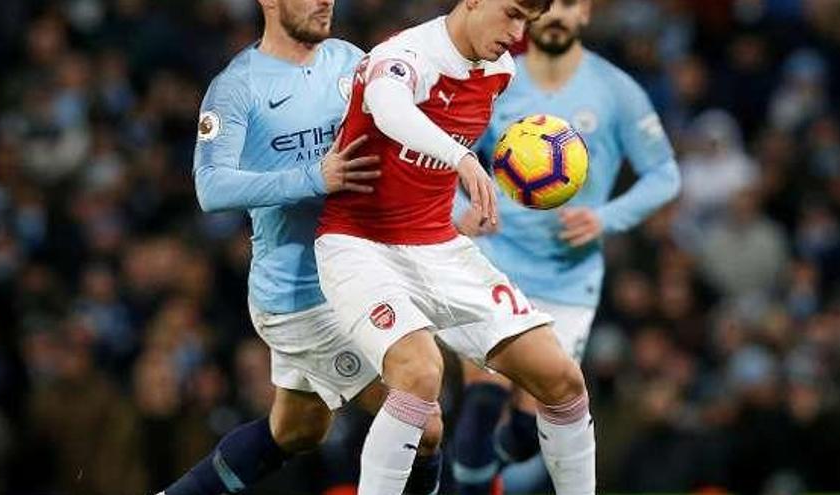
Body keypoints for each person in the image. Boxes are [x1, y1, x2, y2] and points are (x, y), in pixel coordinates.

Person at [156, 1, 443, 494]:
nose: (324, 0)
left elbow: (390, 148)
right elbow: (211, 187)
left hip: (353, 276)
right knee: (423, 422)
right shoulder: (237, 86)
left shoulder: (349, 60)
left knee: (297, 429)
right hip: (300, 294)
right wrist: (314, 177)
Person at [314, 1, 596, 494]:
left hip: (440, 247)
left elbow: (418, 167)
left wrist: (459, 208)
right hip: (358, 245)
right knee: (421, 373)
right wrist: (461, 158)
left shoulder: (498, 70)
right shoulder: (405, 55)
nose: (517, 32)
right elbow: (389, 108)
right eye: (510, 13)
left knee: (563, 381)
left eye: (525, 22)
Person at [446, 1, 681, 493]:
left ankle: (480, 473)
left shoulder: (616, 90)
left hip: (569, 280)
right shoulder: (497, 77)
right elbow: (445, 150)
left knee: (535, 426)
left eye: (568, 4)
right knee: (482, 400)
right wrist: (458, 212)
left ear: (586, 14)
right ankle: (471, 480)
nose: (556, 14)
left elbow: (665, 174)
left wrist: (605, 218)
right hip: (497, 262)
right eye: (546, 5)